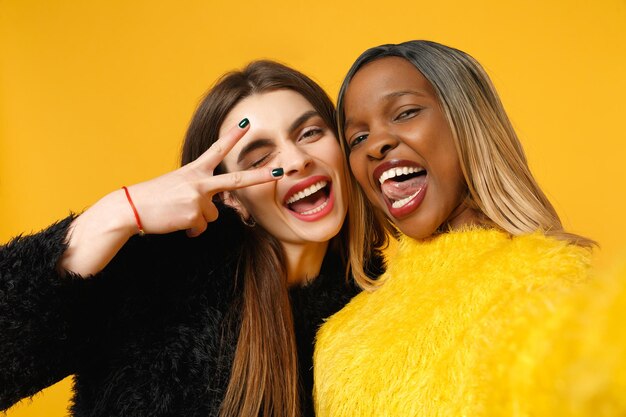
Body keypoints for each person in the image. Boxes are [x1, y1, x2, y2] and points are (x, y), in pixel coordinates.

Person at [0, 60, 378, 417]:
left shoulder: (385, 298)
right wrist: (116, 213)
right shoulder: (159, 277)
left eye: (310, 133)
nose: (296, 159)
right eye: (259, 157)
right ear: (230, 197)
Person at [313, 40, 625, 416]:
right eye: (357, 138)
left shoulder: (552, 289)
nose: (376, 143)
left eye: (405, 112)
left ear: (466, 120)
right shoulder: (340, 336)